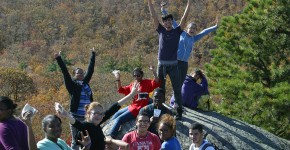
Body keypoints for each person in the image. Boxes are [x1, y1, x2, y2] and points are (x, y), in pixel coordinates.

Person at [56, 83, 140, 150]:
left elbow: (113, 109)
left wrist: (130, 95)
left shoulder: (96, 125)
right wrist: (67, 115)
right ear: (88, 113)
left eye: (101, 114)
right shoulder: (86, 126)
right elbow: (77, 124)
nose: (99, 116)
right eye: (95, 113)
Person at [147, 0, 192, 120]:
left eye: (170, 20)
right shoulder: (160, 30)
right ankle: (158, 112)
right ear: (163, 22)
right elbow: (153, 16)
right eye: (165, 21)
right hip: (161, 65)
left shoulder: (177, 31)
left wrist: (188, 4)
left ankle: (179, 112)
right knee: (160, 90)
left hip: (173, 65)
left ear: (172, 22)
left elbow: (184, 18)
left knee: (177, 88)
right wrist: (150, 3)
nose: (168, 22)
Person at [160, 1, 218, 86]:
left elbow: (205, 32)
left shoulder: (194, 38)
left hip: (184, 63)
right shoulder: (181, 33)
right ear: (187, 28)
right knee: (173, 80)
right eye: (190, 28)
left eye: (194, 29)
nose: (192, 30)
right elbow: (173, 21)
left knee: (181, 83)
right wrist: (163, 10)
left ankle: (179, 97)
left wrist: (216, 26)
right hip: (176, 61)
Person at [54, 49, 96, 150]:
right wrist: (59, 59)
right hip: (76, 116)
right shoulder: (72, 85)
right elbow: (65, 72)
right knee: (75, 139)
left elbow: (91, 70)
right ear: (74, 75)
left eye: (81, 73)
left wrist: (93, 55)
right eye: (78, 73)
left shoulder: (86, 83)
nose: (80, 74)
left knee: (88, 139)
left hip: (87, 117)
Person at [108, 67, 160, 138]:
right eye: (134, 76)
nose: (136, 77)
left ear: (142, 75)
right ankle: (107, 127)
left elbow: (156, 82)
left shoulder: (147, 83)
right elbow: (120, 90)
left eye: (138, 75)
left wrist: (154, 72)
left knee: (119, 119)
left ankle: (111, 136)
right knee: (116, 113)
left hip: (138, 109)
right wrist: (118, 78)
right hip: (132, 106)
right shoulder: (133, 84)